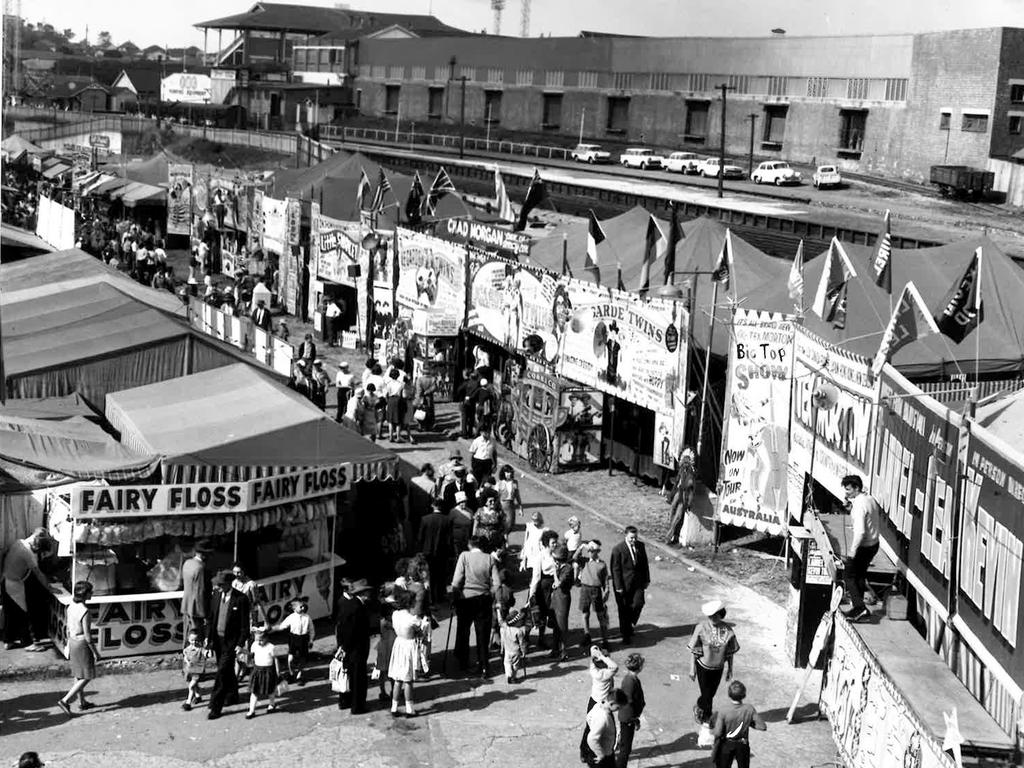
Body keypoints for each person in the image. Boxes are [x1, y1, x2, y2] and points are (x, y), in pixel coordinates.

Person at [449, 535, 500, 677]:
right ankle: (484, 666)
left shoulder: (464, 556)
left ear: (470, 545)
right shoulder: (490, 558)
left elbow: (456, 580)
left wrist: (454, 596)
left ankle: (462, 662)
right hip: (483, 599)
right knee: (483, 633)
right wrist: (490, 593)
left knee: (463, 631)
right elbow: (497, 583)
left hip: (465, 599)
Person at [206, 570, 252, 720]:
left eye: (221, 584)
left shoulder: (241, 599)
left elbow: (245, 625)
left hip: (231, 642)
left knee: (221, 672)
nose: (218, 587)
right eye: (217, 584)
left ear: (228, 583)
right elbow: (212, 618)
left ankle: (215, 705)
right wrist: (208, 638)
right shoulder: (216, 595)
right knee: (226, 670)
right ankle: (232, 695)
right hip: (218, 640)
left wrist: (240, 643)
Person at [688, 599, 740, 725]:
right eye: (710, 615)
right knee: (706, 694)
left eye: (716, 615)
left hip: (718, 668)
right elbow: (694, 651)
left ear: (721, 615)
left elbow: (730, 653)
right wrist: (692, 669)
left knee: (710, 694)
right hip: (703, 667)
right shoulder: (701, 628)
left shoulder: (728, 631)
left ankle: (699, 706)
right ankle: (707, 717)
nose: (713, 618)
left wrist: (730, 669)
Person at [2, 528, 52, 650]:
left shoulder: (18, 542)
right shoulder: (28, 553)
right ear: (37, 545)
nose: (38, 552)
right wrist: (49, 588)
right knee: (24, 614)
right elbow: (38, 573)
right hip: (13, 584)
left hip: (5, 580)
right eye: (39, 550)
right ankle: (29, 643)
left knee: (10, 613)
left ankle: (8, 641)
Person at [840, 474, 881, 622]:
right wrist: (850, 507)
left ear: (857, 488)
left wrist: (852, 552)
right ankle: (858, 607)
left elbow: (860, 532)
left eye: (849, 490)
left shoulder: (858, 506)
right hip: (874, 544)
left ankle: (860, 608)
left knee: (848, 575)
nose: (846, 493)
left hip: (864, 546)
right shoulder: (869, 499)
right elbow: (867, 515)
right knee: (859, 575)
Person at [56, 581, 99, 717]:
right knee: (87, 675)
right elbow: (88, 636)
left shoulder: (71, 606)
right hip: (82, 644)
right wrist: (96, 652)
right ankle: (65, 700)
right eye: (90, 592)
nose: (92, 594)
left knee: (78, 674)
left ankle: (82, 702)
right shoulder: (84, 611)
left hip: (72, 641)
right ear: (85, 594)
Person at [335, 578, 374, 714]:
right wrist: (345, 646)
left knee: (349, 674)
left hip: (349, 647)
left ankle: (346, 700)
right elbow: (352, 630)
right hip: (357, 648)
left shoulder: (349, 604)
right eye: (367, 592)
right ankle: (357, 706)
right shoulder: (358, 607)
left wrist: (342, 645)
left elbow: (341, 627)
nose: (369, 594)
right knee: (358, 678)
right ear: (363, 593)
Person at [388, 588, 428, 717]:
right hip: (408, 646)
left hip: (398, 643)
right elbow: (421, 632)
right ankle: (409, 708)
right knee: (408, 680)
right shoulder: (412, 619)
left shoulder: (395, 615)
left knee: (398, 679)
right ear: (410, 603)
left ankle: (394, 706)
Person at [609, 526, 650, 644]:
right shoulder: (618, 549)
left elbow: (644, 564)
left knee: (639, 603)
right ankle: (626, 634)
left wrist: (647, 579)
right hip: (623, 585)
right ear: (626, 536)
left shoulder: (640, 546)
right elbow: (615, 569)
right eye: (632, 538)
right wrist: (618, 586)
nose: (634, 540)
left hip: (637, 583)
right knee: (624, 609)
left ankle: (630, 623)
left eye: (635, 537)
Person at [711, 680, 766, 768]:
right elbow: (762, 727)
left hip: (726, 744)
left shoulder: (723, 710)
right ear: (744, 694)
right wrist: (748, 722)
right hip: (743, 744)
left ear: (729, 694)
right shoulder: (749, 709)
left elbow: (718, 732)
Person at [579, 646, 620, 763]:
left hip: (593, 701)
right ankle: (604, 749)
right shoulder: (604, 674)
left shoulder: (594, 670)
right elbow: (615, 667)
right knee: (608, 727)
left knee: (590, 727)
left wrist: (594, 652)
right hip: (603, 704)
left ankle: (584, 750)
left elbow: (593, 659)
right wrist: (602, 656)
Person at [527, 530, 560, 651]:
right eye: (553, 542)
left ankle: (541, 639)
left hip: (553, 587)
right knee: (536, 614)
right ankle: (525, 638)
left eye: (556, 542)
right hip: (542, 588)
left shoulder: (556, 556)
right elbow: (536, 577)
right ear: (546, 543)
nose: (555, 544)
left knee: (547, 614)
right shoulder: (540, 556)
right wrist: (532, 594)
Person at [417, 502, 453, 603]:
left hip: (427, 551)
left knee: (429, 575)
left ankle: (431, 598)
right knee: (441, 575)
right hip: (442, 552)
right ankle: (440, 596)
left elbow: (420, 537)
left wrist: (420, 551)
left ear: (433, 506)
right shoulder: (447, 520)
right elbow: (449, 539)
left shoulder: (425, 519)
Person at [274, 597, 315, 684]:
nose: (303, 608)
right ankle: (291, 673)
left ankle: (300, 675)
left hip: (304, 638)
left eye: (303, 606)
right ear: (294, 608)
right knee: (290, 658)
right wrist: (271, 628)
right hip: (293, 638)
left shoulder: (307, 617)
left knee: (302, 657)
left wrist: (311, 640)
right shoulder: (291, 617)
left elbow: (311, 630)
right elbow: (282, 626)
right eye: (300, 607)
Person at [617, 654, 647, 768]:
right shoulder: (630, 681)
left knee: (625, 746)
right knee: (625, 749)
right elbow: (628, 702)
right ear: (639, 666)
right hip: (628, 718)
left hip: (628, 717)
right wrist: (634, 719)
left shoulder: (631, 678)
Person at [579, 540, 611, 648]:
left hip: (596, 590)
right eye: (590, 550)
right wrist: (581, 547)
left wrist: (606, 590)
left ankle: (605, 640)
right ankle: (587, 635)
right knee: (585, 613)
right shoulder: (584, 561)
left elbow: (605, 579)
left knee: (600, 615)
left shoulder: (601, 564)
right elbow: (573, 558)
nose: (591, 553)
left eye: (594, 551)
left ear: (598, 551)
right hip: (584, 588)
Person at [180, 539, 212, 648]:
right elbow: (200, 591)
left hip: (186, 605)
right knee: (196, 639)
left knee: (187, 637)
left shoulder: (187, 563)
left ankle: (186, 659)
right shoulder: (201, 568)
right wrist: (205, 613)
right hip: (197, 608)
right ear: (204, 554)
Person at [245, 625, 279, 719]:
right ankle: (251, 710)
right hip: (257, 671)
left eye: (261, 640)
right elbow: (251, 654)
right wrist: (243, 652)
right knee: (254, 691)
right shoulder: (254, 645)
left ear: (267, 638)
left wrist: (278, 672)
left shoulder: (271, 647)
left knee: (270, 690)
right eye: (257, 640)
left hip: (268, 671)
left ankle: (272, 704)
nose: (259, 642)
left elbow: (276, 660)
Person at [549, 544, 574, 661]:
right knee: (555, 625)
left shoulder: (568, 568)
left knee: (562, 626)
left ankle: (564, 651)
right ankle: (555, 649)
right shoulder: (562, 567)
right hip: (556, 597)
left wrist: (554, 571)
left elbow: (559, 582)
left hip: (563, 598)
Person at [666, 448, 696, 546]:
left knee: (678, 515)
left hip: (684, 495)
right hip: (679, 492)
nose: (685, 463)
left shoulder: (691, 473)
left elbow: (690, 487)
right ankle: (670, 529)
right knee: (672, 509)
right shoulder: (682, 470)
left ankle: (670, 533)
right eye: (684, 461)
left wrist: (688, 502)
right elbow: (677, 483)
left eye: (687, 461)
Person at [376, 583, 398, 704]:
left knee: (382, 670)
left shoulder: (381, 619)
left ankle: (382, 691)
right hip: (391, 644)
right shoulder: (390, 620)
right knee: (392, 670)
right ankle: (394, 690)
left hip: (382, 644)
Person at [181, 627, 212, 711]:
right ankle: (198, 696)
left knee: (191, 686)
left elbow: (208, 655)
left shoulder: (200, 649)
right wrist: (187, 661)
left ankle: (188, 702)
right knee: (194, 685)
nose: (194, 642)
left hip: (197, 671)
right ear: (188, 639)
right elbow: (185, 657)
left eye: (196, 640)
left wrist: (208, 650)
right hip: (189, 670)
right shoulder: (187, 649)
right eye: (192, 640)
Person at [497, 465, 522, 535]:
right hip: (502, 505)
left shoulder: (514, 482)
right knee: (501, 525)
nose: (509, 474)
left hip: (510, 506)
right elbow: (497, 496)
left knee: (510, 525)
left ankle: (505, 537)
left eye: (510, 472)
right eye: (507, 472)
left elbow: (517, 495)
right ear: (503, 473)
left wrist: (520, 507)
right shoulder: (500, 483)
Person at [384, 367, 406, 442]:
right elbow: (402, 394)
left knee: (390, 420)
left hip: (390, 400)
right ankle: (398, 436)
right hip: (398, 400)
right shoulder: (401, 384)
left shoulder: (388, 384)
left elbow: (386, 394)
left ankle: (390, 436)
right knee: (398, 420)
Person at [413, 364, 437, 431]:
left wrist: (419, 396)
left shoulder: (420, 380)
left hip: (421, 398)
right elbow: (434, 387)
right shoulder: (432, 379)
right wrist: (428, 391)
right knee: (430, 411)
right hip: (429, 398)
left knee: (421, 411)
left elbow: (418, 390)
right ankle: (430, 426)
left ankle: (421, 426)